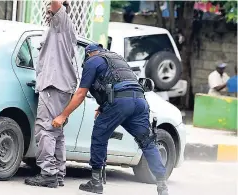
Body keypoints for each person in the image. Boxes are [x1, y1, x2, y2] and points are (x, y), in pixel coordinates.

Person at [52, 44, 169, 195]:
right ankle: (162, 185)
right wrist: (102, 108)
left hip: (120, 103)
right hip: (140, 102)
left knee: (99, 135)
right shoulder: (117, 59)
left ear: (89, 54)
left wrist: (63, 115)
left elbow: (81, 93)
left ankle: (96, 182)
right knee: (147, 142)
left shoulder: (92, 61)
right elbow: (118, 84)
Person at [24, 0, 77, 188]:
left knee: (45, 129)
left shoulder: (61, 23)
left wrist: (58, 5)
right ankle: (58, 174)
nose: (47, 14)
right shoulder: (59, 30)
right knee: (56, 132)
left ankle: (48, 174)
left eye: (50, 11)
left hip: (54, 86)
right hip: (61, 87)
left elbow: (56, 4)